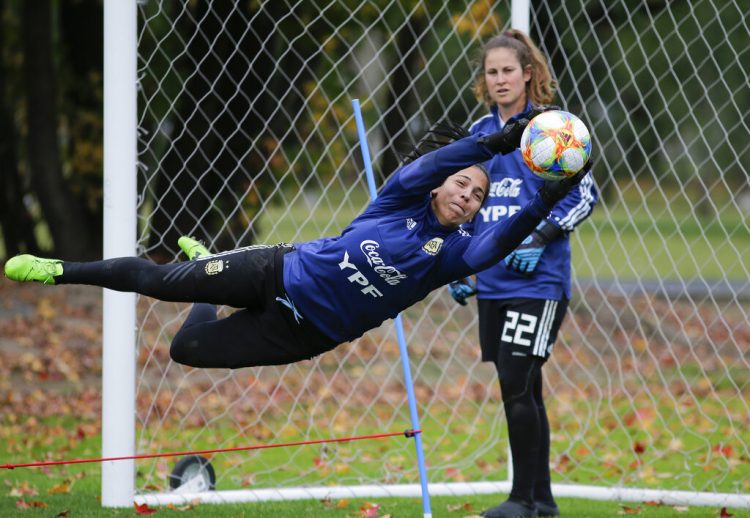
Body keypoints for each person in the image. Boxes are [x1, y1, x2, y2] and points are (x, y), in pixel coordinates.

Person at [4, 114, 585, 373]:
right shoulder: (399, 198)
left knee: (188, 351)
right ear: (443, 183)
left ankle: (206, 264)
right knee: (157, 284)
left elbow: (500, 243)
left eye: (479, 197)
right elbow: (432, 163)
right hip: (277, 273)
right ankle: (61, 267)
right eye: (463, 185)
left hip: (306, 332)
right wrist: (489, 146)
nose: (468, 196)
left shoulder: (454, 254)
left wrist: (548, 196)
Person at [448, 30, 598, 518]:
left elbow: (584, 197)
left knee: (517, 377)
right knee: (522, 386)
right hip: (492, 281)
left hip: (539, 281)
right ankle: (543, 502)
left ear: (528, 73)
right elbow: (465, 201)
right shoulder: (479, 132)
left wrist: (539, 238)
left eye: (508, 70)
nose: (499, 80)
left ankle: (520, 499)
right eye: (491, 72)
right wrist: (457, 261)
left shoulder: (552, 129)